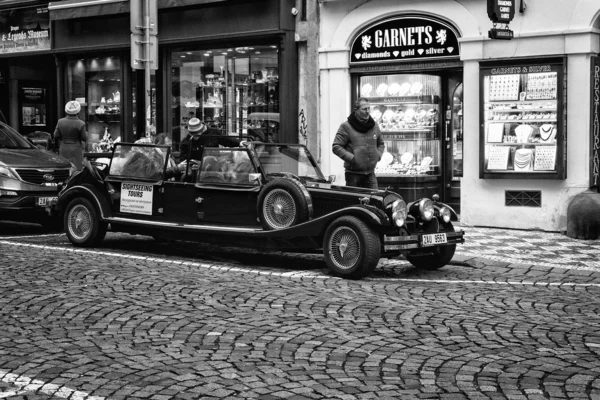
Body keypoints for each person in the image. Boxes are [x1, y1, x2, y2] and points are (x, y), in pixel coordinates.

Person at [332, 97, 384, 189]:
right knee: (355, 201)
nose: (367, 111)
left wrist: (378, 155)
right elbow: (336, 147)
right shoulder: (346, 126)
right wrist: (353, 159)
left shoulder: (374, 125)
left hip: (370, 174)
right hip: (353, 175)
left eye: (369, 109)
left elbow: (381, 143)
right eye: (364, 109)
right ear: (356, 110)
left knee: (374, 200)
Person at [54, 101, 88, 170]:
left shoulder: (60, 121)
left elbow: (55, 135)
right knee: (77, 169)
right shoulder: (81, 123)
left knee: (64, 168)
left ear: (66, 111)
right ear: (78, 111)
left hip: (64, 148)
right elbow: (84, 138)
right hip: (77, 149)